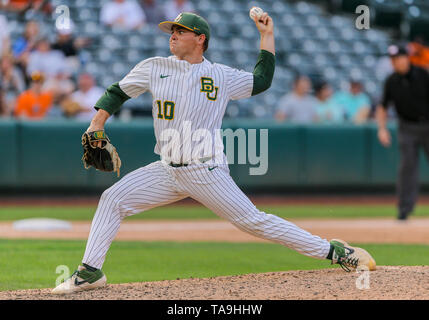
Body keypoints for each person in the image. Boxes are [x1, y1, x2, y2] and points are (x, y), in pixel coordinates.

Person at [51, 11, 375, 294]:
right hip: (168, 169)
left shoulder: (220, 75)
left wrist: (267, 35)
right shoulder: (154, 67)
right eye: (171, 32)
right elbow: (118, 91)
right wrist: (96, 123)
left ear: (200, 39)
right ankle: (90, 271)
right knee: (113, 199)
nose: (172, 37)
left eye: (180, 32)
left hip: (204, 170)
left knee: (253, 222)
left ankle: (335, 251)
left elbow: (261, 80)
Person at [376, 45, 429, 221]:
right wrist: (382, 129)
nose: (396, 61)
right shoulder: (391, 80)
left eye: (399, 57)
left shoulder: (422, 74)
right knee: (407, 168)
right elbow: (383, 106)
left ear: (407, 58)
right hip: (407, 127)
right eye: (393, 59)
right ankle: (404, 209)